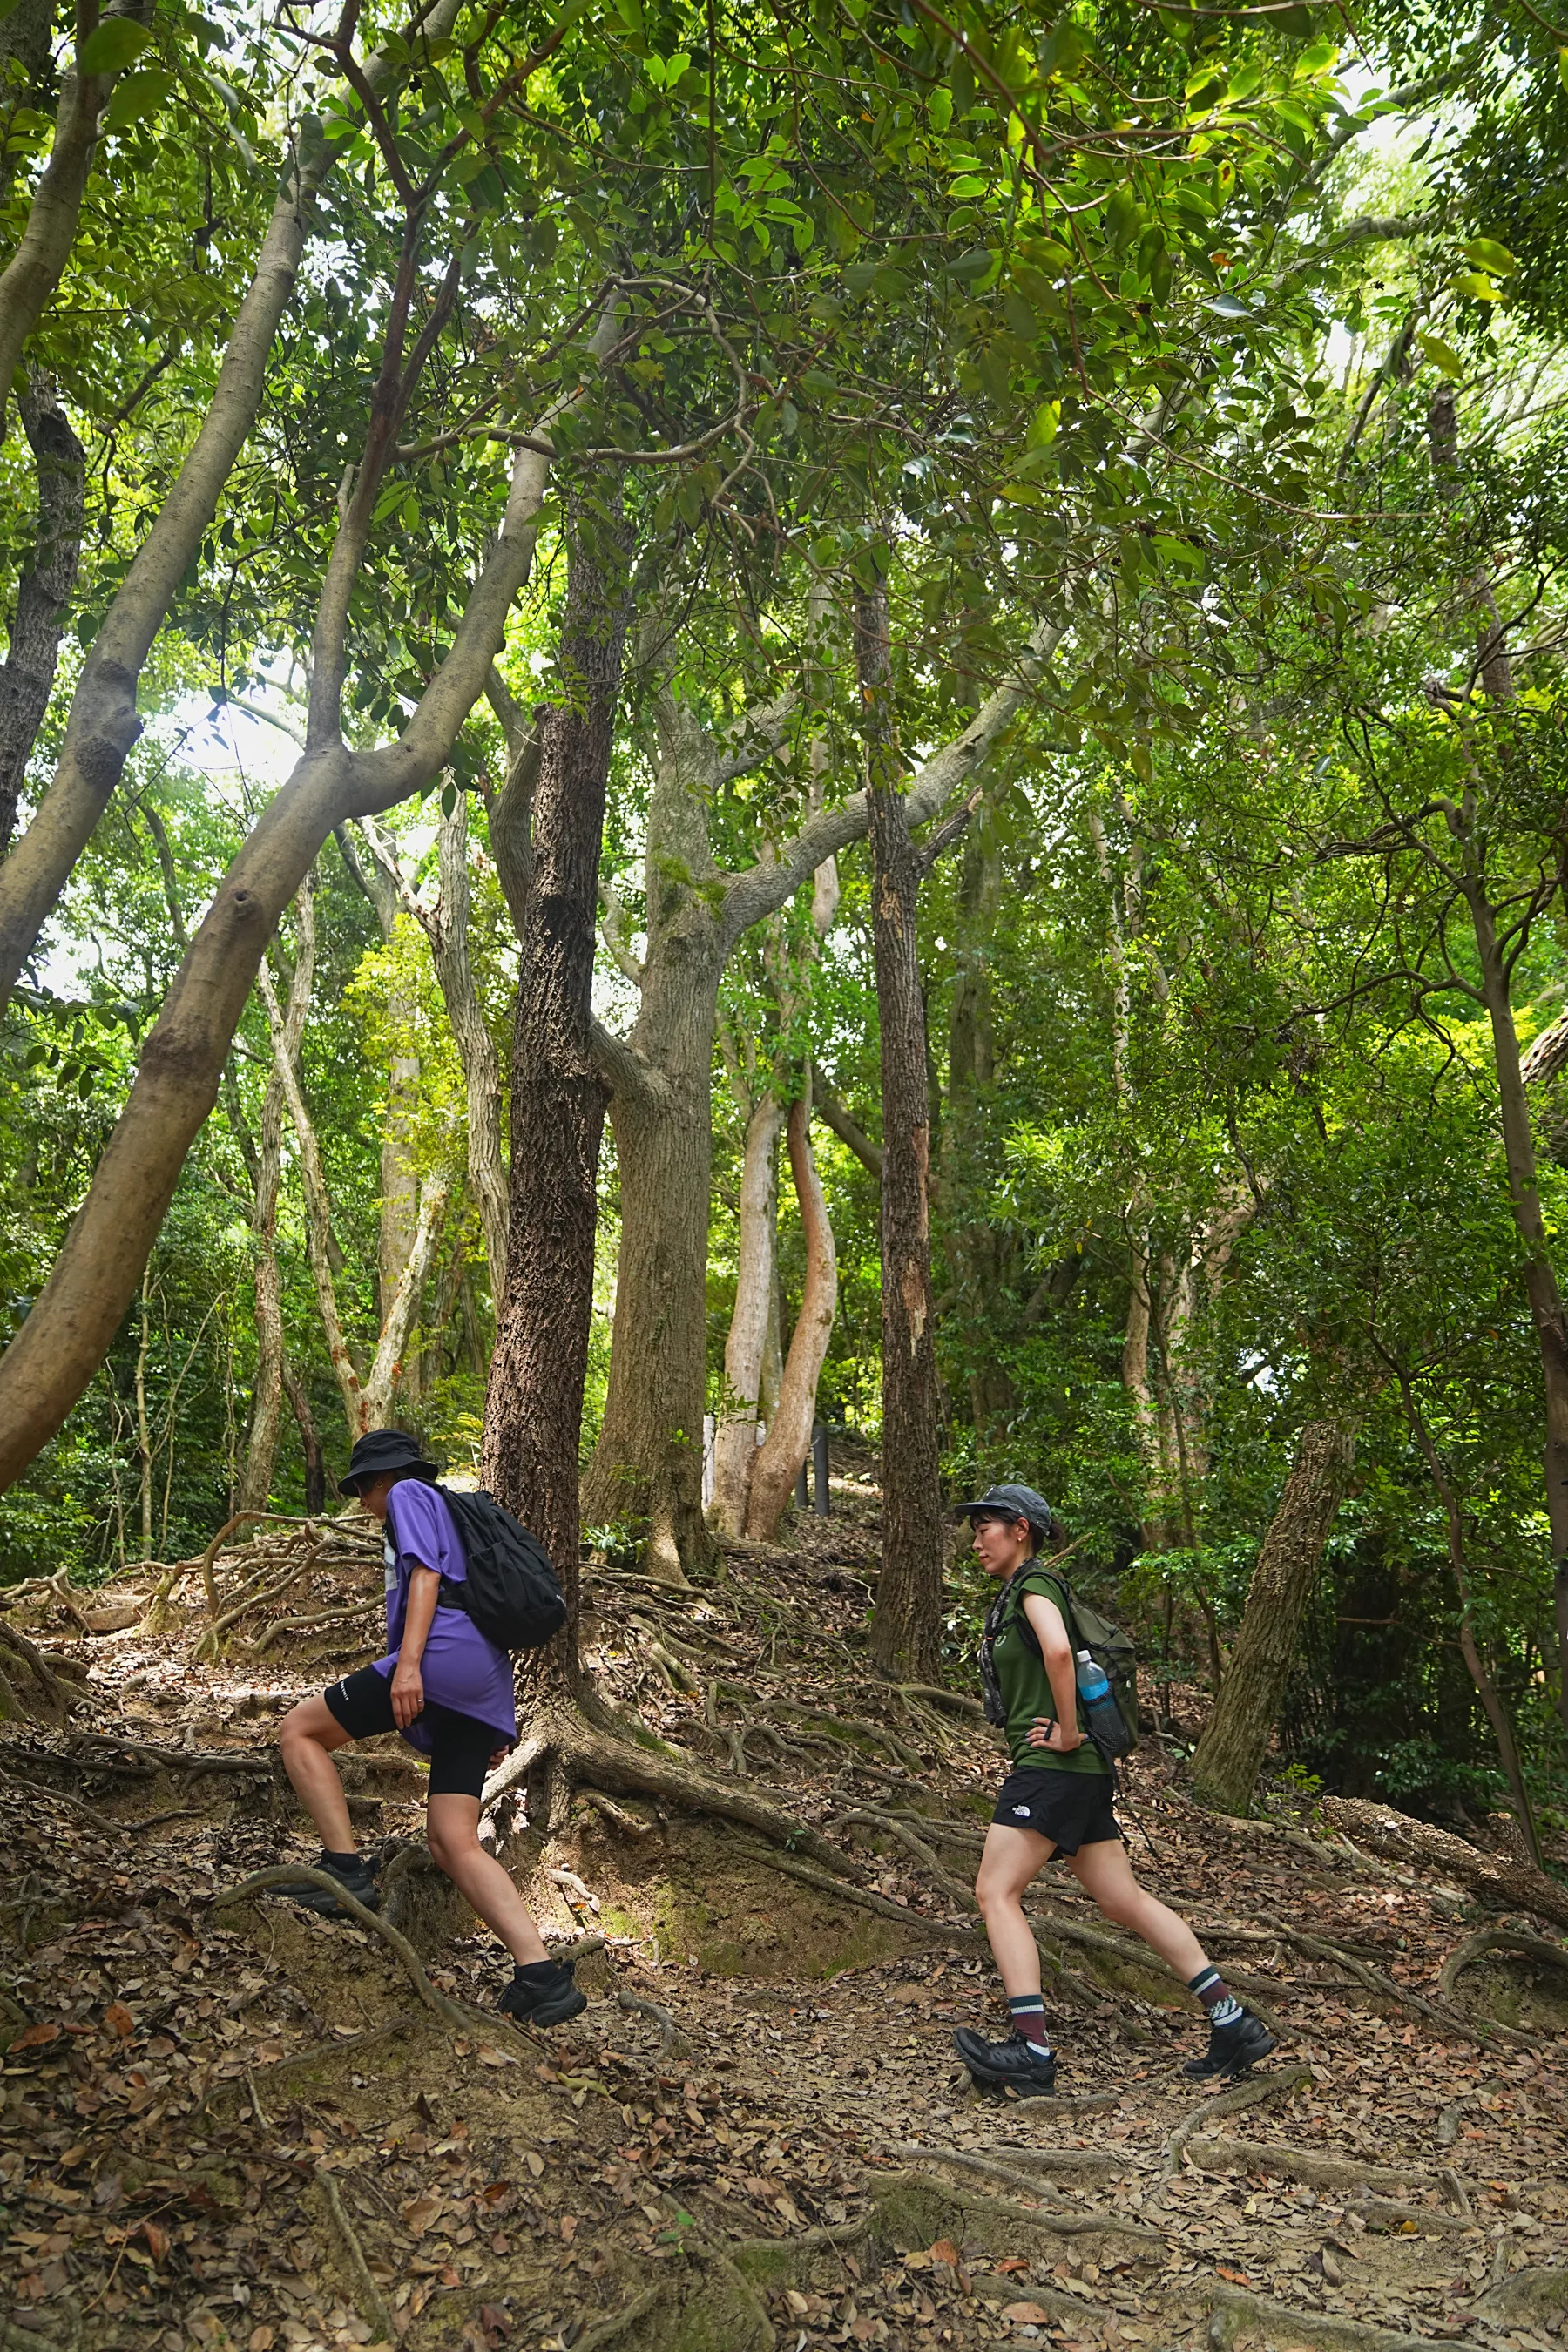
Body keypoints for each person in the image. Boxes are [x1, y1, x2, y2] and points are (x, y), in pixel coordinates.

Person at [951, 1483, 1276, 2095]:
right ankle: (1233, 2022)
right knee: (1123, 1900)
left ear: (1021, 1529)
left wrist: (1070, 1733)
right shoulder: (1021, 1592)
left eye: (985, 1527)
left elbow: (1058, 1652)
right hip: (1081, 1776)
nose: (976, 1541)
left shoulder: (1035, 1586)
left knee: (995, 1891)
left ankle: (1032, 2049)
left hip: (1055, 1768)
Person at [274, 1427, 585, 2031]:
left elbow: (426, 1578)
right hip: (480, 1679)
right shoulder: (441, 1505)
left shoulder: (411, 1496)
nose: (363, 1504)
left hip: (440, 1658)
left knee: (300, 1732)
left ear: (378, 1479)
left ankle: (345, 1868)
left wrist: (410, 1665)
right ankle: (540, 1975)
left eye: (362, 1490)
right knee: (451, 1839)